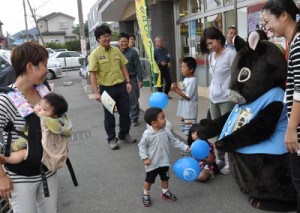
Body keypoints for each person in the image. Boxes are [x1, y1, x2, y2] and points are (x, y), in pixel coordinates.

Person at [0, 42, 58, 212]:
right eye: (44, 65)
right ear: (30, 67)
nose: (47, 70)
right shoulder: (6, 100)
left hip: (49, 170)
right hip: (20, 178)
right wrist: (1, 177)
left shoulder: (44, 92)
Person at [262, 1, 300, 211]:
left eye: (268, 21)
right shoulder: (293, 43)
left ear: (284, 15)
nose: (267, 27)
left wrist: (291, 129)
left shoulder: (298, 45)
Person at [89, 24, 136, 150]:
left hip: (121, 87)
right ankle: (111, 139)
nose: (107, 38)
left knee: (125, 112)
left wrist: (128, 82)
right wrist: (96, 93)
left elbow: (123, 66)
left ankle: (124, 134)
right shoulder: (95, 54)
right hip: (106, 90)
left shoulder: (116, 51)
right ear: (98, 38)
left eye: (109, 36)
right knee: (109, 116)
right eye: (104, 36)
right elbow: (92, 74)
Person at [0, 93, 72, 171]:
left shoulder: (41, 121)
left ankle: (4, 159)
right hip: (52, 151)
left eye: (44, 109)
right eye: (39, 104)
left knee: (22, 153)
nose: (38, 108)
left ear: (54, 115)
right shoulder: (61, 122)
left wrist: (14, 147)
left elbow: (26, 139)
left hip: (41, 152)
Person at [200, 27, 236, 175]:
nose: (210, 47)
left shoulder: (230, 54)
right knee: (217, 131)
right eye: (207, 45)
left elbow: (236, 76)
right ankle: (220, 159)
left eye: (211, 43)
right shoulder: (211, 56)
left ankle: (230, 162)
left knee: (228, 131)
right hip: (213, 98)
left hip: (226, 99)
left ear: (219, 39)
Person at [138, 107, 191, 207]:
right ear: (154, 123)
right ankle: (146, 194)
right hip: (152, 163)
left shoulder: (166, 131)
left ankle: (165, 192)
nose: (165, 120)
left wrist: (185, 147)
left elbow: (174, 141)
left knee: (165, 178)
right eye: (162, 118)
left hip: (164, 162)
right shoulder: (147, 135)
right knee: (149, 180)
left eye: (164, 117)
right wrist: (144, 158)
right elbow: (141, 146)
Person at [118, 32, 143, 126]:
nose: (124, 43)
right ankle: (124, 119)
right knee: (122, 101)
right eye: (122, 41)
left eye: (126, 41)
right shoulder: (116, 52)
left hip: (132, 79)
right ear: (118, 42)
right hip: (119, 81)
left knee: (133, 100)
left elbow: (138, 66)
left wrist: (140, 79)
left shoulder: (133, 52)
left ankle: (134, 118)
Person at [171, 57, 198, 135]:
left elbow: (188, 96)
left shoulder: (193, 80)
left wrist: (176, 90)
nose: (182, 69)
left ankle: (192, 146)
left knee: (190, 133)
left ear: (191, 69)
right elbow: (184, 92)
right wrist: (178, 89)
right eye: (181, 67)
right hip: (184, 111)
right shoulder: (186, 79)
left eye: (184, 67)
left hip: (189, 112)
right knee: (185, 131)